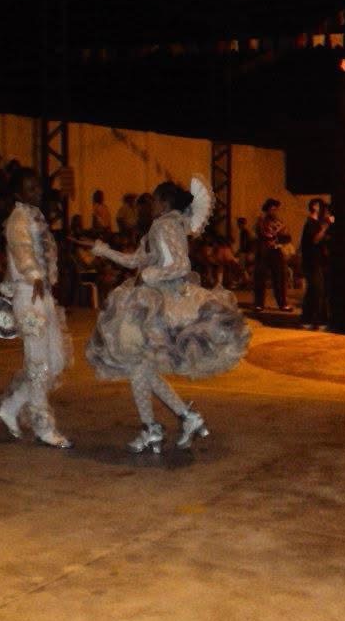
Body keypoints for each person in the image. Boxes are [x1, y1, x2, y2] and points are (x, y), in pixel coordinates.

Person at [87, 176, 250, 454]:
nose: (149, 206)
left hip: (161, 303)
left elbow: (180, 265)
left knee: (139, 366)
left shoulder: (164, 225)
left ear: (163, 203)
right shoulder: (164, 226)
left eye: (154, 200)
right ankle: (182, 418)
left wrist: (150, 275)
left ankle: (158, 427)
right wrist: (105, 251)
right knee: (141, 367)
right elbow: (135, 260)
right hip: (157, 301)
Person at [0, 167, 74, 449]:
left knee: (56, 361)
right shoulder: (18, 218)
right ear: (18, 193)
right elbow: (22, 250)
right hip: (29, 295)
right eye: (30, 188)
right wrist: (35, 275)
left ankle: (11, 407)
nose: (37, 192)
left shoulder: (35, 216)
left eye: (38, 187)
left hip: (43, 294)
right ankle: (43, 427)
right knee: (38, 364)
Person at [253, 198, 293, 312]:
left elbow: (287, 237)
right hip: (263, 251)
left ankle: (282, 303)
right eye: (272, 209)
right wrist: (274, 234)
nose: (274, 211)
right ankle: (259, 304)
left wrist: (279, 237)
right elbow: (262, 234)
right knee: (260, 278)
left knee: (280, 278)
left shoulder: (280, 222)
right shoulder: (261, 221)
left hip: (276, 251)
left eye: (276, 209)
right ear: (267, 209)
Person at [300, 199, 332, 329]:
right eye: (321, 206)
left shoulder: (316, 223)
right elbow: (315, 240)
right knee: (317, 291)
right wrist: (326, 226)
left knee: (316, 291)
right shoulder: (310, 223)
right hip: (312, 262)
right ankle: (313, 320)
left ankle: (309, 320)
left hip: (318, 261)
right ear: (314, 207)